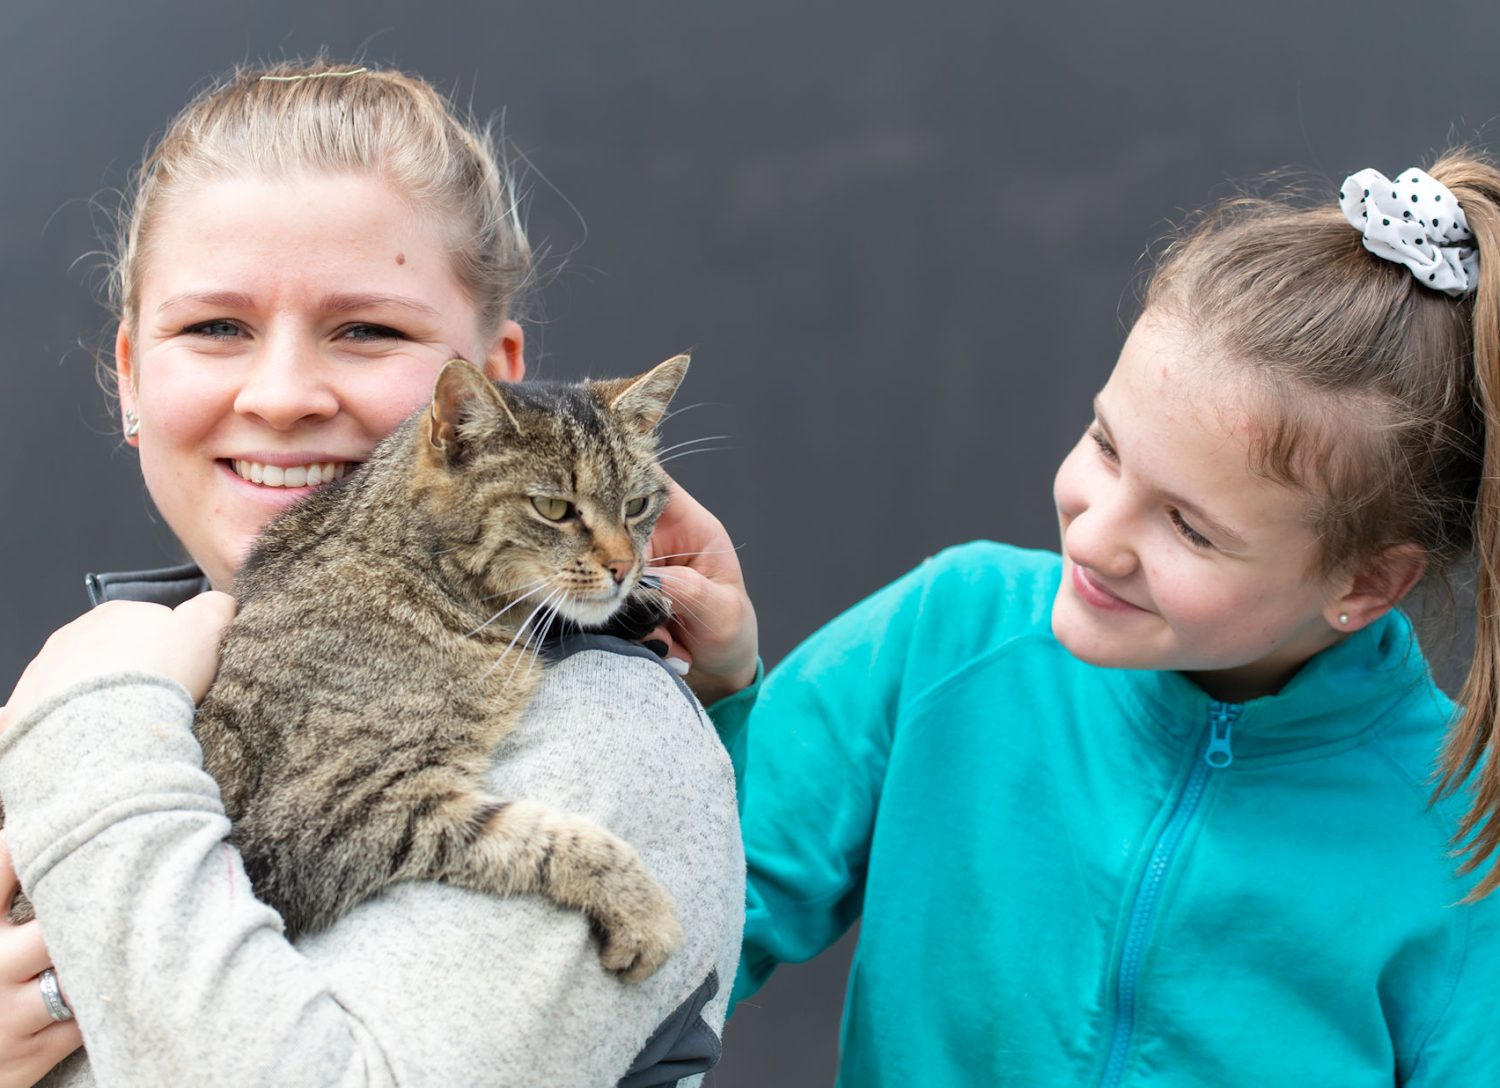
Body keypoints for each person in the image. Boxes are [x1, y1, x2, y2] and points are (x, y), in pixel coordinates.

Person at [0, 61, 756, 1088]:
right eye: (216, 327)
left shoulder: (605, 735)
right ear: (132, 375)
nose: (282, 394)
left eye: (368, 330)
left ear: (497, 386)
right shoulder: (169, 668)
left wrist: (93, 722)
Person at [698, 155, 1500, 1084]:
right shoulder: (949, 634)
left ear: (1365, 584)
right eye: (1106, 446)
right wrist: (716, 690)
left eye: (1190, 528)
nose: (1098, 534)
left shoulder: (1467, 843)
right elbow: (673, 924)